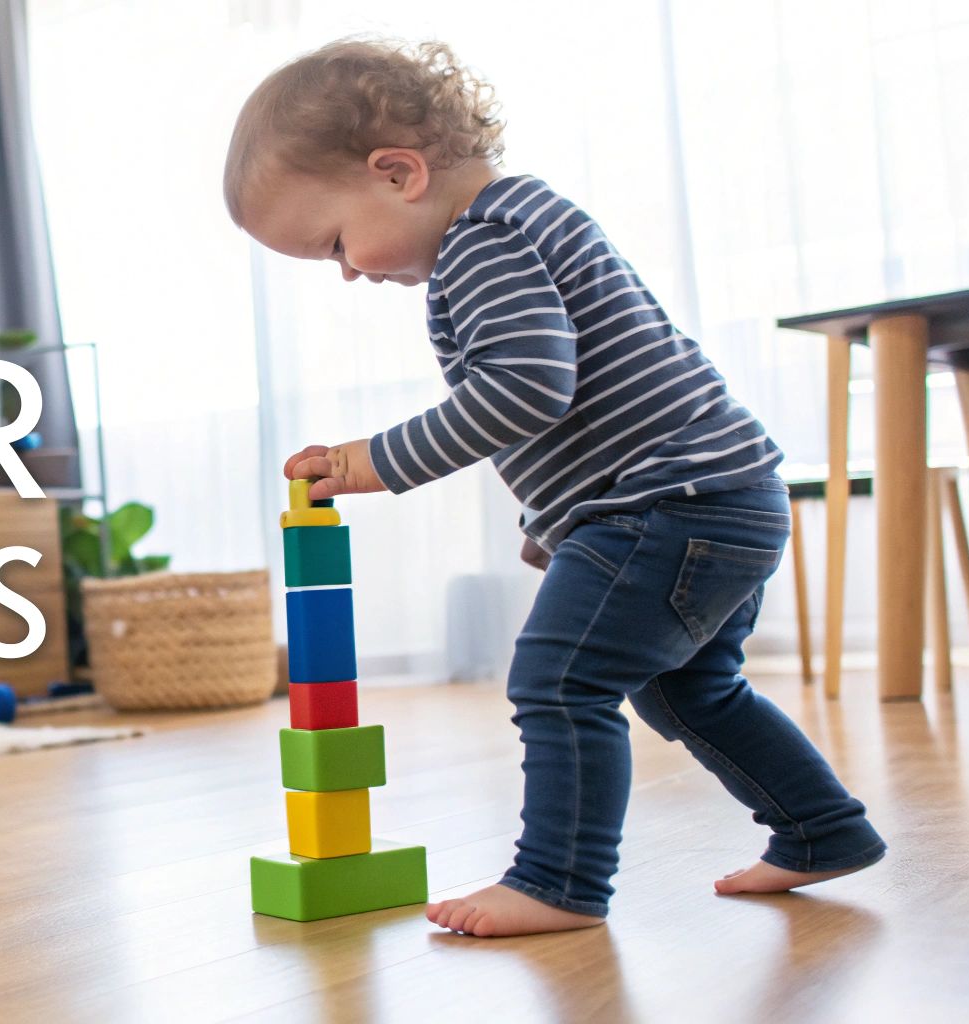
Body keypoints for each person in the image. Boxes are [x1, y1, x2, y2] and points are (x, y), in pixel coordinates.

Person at [224, 36, 886, 937]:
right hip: (716, 497)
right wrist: (561, 523)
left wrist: (370, 461)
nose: (350, 271)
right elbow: (591, 403)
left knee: (558, 681)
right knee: (689, 690)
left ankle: (558, 881)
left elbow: (528, 388)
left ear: (398, 173)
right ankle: (820, 829)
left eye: (336, 243)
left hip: (667, 504)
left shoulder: (481, 244)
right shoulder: (520, 220)